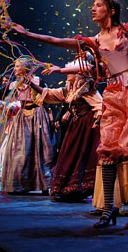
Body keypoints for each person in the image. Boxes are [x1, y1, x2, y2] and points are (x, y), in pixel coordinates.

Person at [3, 0, 128, 229]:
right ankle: (108, 207)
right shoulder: (94, 41)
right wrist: (27, 34)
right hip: (114, 92)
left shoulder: (127, 30)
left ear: (111, 10)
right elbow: (57, 40)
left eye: (98, 5)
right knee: (107, 148)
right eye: (93, 5)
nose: (93, 9)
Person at [29, 60, 102, 202]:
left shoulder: (87, 89)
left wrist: (97, 122)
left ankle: (77, 189)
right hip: (76, 125)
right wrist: (31, 85)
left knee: (81, 156)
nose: (68, 74)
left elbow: (100, 105)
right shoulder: (69, 90)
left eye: (71, 72)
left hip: (87, 126)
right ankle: (68, 190)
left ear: (79, 74)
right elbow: (50, 94)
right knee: (69, 155)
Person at [0, 57, 54, 194]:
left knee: (40, 148)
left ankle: (44, 185)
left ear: (25, 68)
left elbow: (47, 98)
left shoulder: (37, 81)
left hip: (37, 115)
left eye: (18, 66)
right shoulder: (13, 85)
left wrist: (51, 119)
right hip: (22, 116)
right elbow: (2, 95)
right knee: (20, 149)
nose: (15, 69)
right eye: (15, 66)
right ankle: (20, 184)